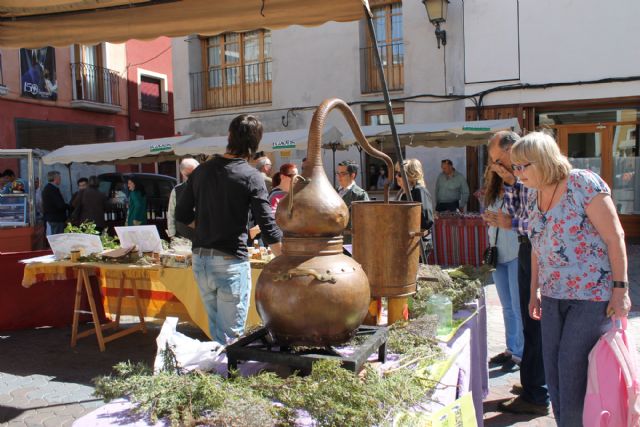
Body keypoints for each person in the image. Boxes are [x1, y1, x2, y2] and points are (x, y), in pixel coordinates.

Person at [510, 132, 631, 426]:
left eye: (521, 166)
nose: (517, 173)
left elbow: (615, 237)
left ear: (542, 160)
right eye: (514, 167)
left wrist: (620, 291)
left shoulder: (582, 183)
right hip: (553, 296)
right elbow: (537, 245)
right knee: (554, 374)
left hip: (591, 297)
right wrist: (533, 290)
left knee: (572, 372)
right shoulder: (532, 192)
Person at [175, 114, 283, 345]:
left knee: (216, 332)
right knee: (231, 337)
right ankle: (227, 376)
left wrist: (206, 226)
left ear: (228, 136)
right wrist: (284, 260)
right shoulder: (251, 176)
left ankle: (217, 374)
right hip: (229, 261)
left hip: (201, 259)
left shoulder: (201, 171)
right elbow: (267, 225)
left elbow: (181, 216)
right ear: (255, 145)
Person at [484, 131, 550, 415]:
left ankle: (537, 395)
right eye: (494, 163)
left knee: (533, 324)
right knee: (528, 321)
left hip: (534, 252)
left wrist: (511, 222)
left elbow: (539, 222)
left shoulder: (536, 175)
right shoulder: (518, 177)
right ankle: (533, 384)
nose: (497, 167)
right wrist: (509, 181)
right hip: (527, 250)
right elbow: (520, 213)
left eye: (499, 160)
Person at [482, 164, 523, 373]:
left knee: (517, 307)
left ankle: (519, 354)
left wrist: (507, 222)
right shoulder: (492, 195)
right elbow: (491, 221)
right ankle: (510, 349)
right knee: (507, 306)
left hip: (516, 253)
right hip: (498, 254)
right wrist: (489, 219)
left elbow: (526, 221)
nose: (498, 175)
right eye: (495, 173)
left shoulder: (517, 190)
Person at [395, 159, 434, 256]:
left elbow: (427, 221)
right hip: (408, 242)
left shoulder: (419, 191)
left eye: (399, 174)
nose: (396, 176)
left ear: (410, 176)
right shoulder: (403, 192)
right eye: (396, 173)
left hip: (417, 244)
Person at [336, 160, 369, 244]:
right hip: (334, 240)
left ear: (352, 175)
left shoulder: (360, 195)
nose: (339, 176)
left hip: (351, 242)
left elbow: (366, 221)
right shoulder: (333, 192)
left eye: (343, 174)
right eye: (338, 173)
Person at [167, 158, 199, 240]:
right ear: (183, 174)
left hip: (204, 237)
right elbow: (171, 214)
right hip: (183, 237)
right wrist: (172, 235)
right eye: (189, 175)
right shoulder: (176, 190)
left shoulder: (207, 187)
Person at [41, 170, 68, 235]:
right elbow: (60, 205)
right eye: (59, 178)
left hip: (53, 218)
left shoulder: (49, 188)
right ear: (55, 179)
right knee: (58, 239)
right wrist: (68, 206)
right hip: (56, 218)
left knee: (56, 238)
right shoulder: (52, 189)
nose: (60, 179)